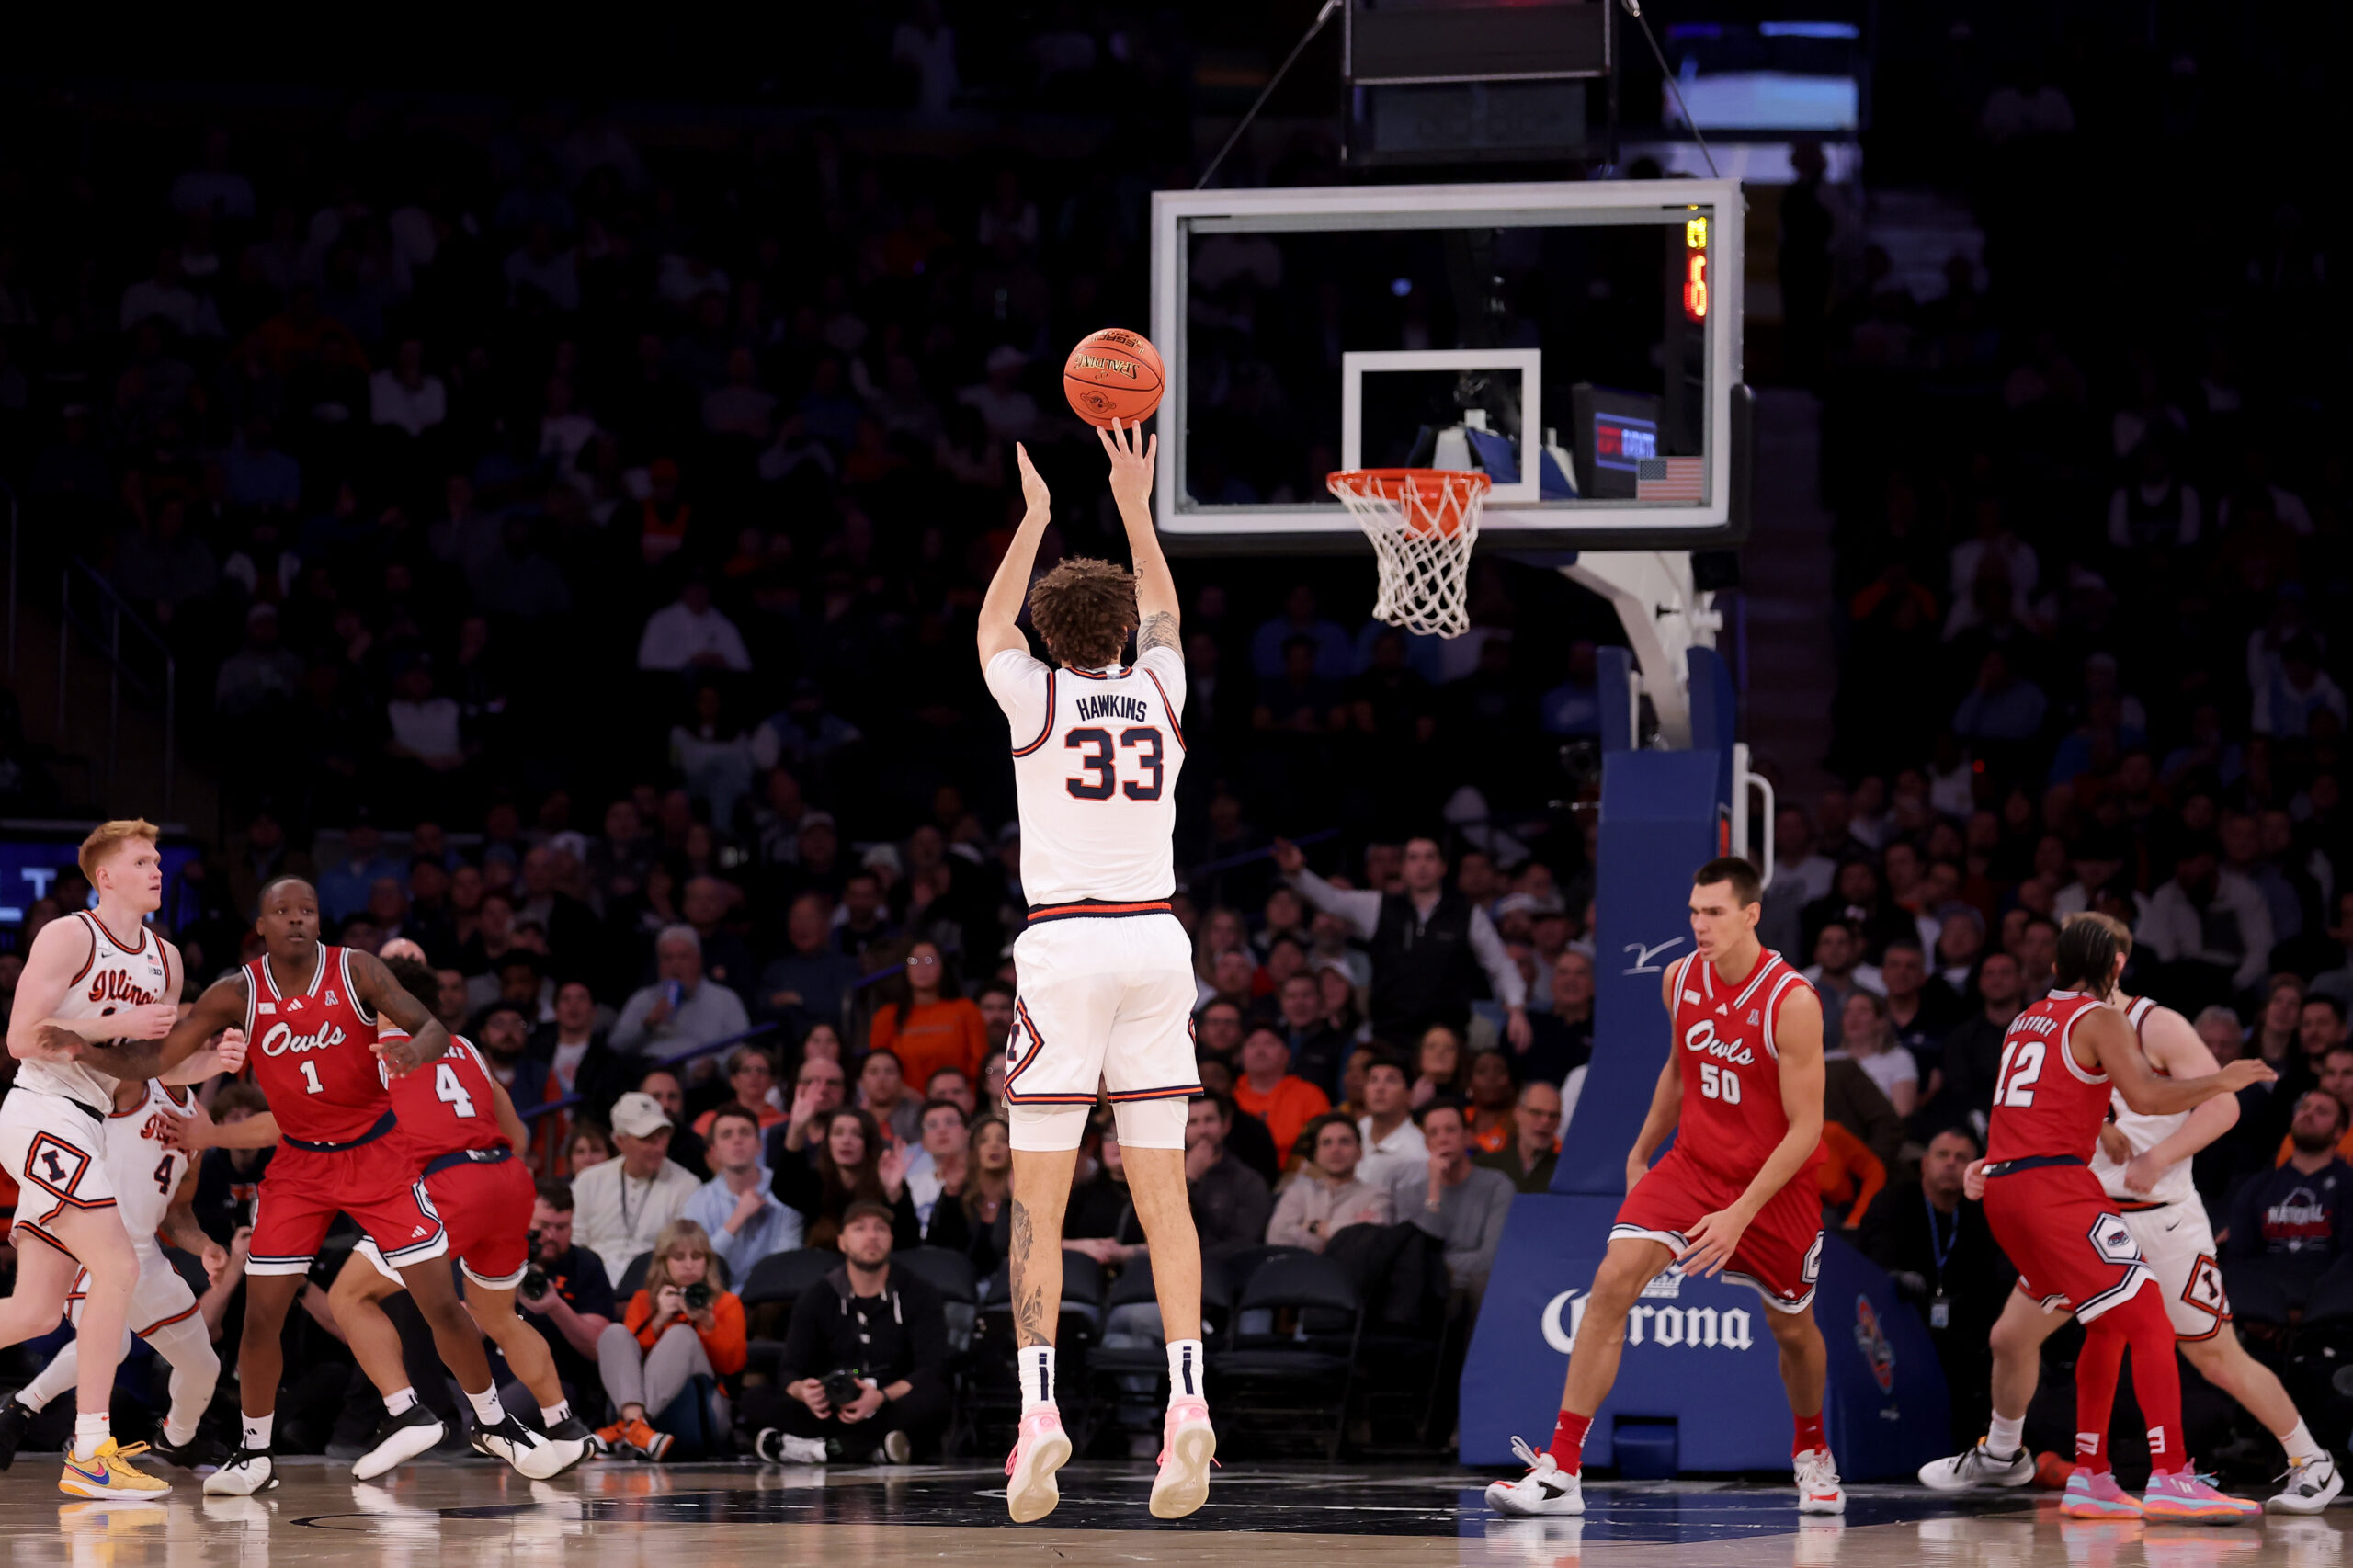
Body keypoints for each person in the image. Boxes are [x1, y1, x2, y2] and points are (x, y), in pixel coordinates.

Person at [975, 423, 1213, 1521]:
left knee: (1039, 1196)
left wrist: (1032, 517)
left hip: (1066, 944)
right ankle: (1186, 1401)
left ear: (1047, 633)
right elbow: (1162, 605)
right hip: (1157, 943)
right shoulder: (1161, 690)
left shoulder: (1033, 696)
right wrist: (1132, 501)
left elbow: (989, 622)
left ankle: (1037, 1414)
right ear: (1124, 632)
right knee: (1163, 1193)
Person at [161, 876, 553, 1495]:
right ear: (262, 926)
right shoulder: (467, 1051)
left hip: (396, 1166)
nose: (296, 921)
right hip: (483, 1178)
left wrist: (210, 1136)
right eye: (283, 912)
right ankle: (452, 1415)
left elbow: (273, 1120)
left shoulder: (369, 1008)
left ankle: (444, 1414)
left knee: (364, 1301)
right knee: (478, 1313)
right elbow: (517, 1132)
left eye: (308, 912)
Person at [1488, 858, 1844, 1519]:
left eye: (1713, 913)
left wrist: (1739, 1214)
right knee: (1611, 1283)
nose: (1699, 925)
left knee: (1792, 1330)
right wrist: (1642, 1148)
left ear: (1751, 914)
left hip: (1774, 1185)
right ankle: (1562, 1467)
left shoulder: (1791, 1001)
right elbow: (1681, 1070)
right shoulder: (1679, 978)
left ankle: (1813, 1450)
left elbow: (1806, 1129)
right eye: (1693, 912)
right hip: (1693, 1165)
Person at [1933, 913, 2273, 1520]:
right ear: (2116, 966)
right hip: (2055, 1191)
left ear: (2057, 966)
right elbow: (2145, 1094)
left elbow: (2037, 1107)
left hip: (2011, 1188)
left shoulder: (2025, 1019)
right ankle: (2171, 1474)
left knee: (2109, 1323)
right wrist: (2221, 1079)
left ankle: (2091, 1475)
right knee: (2147, 1318)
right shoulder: (2103, 1018)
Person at [0, 819, 237, 1494]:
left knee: (37, 1313)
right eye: (142, 860)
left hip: (89, 1121)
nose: (157, 869)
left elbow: (149, 1064)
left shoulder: (166, 959)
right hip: (42, 1110)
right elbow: (21, 1037)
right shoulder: (69, 934)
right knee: (119, 1264)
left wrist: (207, 1059)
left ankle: (92, 1450)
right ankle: (92, 1451)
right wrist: (114, 1023)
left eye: (158, 859)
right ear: (106, 876)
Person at [0, 1074, 230, 1473]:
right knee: (107, 1342)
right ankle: (31, 1412)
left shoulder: (200, 1117)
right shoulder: (130, 1085)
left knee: (203, 1366)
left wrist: (205, 1246)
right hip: (88, 1241)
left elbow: (176, 1213)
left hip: (145, 1251)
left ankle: (178, 1440)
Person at [1271, 836, 1532, 1051]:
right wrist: (1298, 874)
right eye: (1413, 858)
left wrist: (1516, 1009)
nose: (1421, 865)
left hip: (1447, 1037)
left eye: (1430, 857)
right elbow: (1331, 900)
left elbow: (1499, 964)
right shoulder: (1377, 906)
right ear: (1403, 868)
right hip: (1391, 1035)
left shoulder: (1467, 914)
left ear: (1443, 867)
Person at [756, 1202, 953, 1463]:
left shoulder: (919, 1292)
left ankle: (816, 1449)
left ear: (891, 1240)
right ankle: (871, 1449)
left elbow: (932, 1365)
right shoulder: (816, 1296)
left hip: (888, 1402)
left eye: (880, 1229)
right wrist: (804, 1391)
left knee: (935, 1398)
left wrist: (881, 1397)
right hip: (832, 1407)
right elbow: (790, 1368)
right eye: (859, 1228)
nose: (871, 1236)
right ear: (842, 1242)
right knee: (756, 1398)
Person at [1857, 1130, 2012, 1444]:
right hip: (1900, 1323)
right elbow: (1872, 1269)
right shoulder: (1895, 1202)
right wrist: (1897, 1278)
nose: (1951, 1164)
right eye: (1943, 1155)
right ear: (1925, 1163)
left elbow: (1992, 1283)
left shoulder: (1983, 1212)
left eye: (1961, 1158)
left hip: (1965, 1331)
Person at [597, 1219, 747, 1459]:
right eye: (679, 1257)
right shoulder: (644, 1301)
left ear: (708, 1262)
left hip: (706, 1403)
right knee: (613, 1333)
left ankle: (630, 1426)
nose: (689, 1265)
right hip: (652, 1403)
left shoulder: (726, 1302)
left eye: (696, 1257)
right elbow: (627, 1360)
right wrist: (658, 1320)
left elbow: (732, 1365)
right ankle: (637, 1427)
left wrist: (707, 1322)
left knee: (682, 1334)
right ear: (664, 1262)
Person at [572, 1092, 701, 1286]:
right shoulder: (589, 1181)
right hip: (591, 1283)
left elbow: (684, 1253)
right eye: (647, 1139)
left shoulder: (686, 1185)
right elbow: (575, 1242)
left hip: (653, 1284)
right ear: (620, 1141)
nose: (658, 1147)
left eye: (662, 1136)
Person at [515, 1181, 620, 1419]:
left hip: (556, 1379)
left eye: (561, 1227)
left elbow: (598, 1347)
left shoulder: (585, 1265)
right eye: (543, 1226)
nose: (551, 1236)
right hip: (495, 1373)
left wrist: (555, 1305)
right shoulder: (502, 1258)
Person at [1401, 1101, 1515, 1299]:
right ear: (1427, 1144)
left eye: (1451, 1130)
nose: (1443, 1139)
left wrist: (1436, 1266)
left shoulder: (1497, 1186)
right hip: (1424, 1298)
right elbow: (1411, 1261)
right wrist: (1434, 1191)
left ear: (1467, 1136)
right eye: (1434, 1133)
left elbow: (1489, 1259)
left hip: (1477, 1292)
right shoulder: (1410, 1194)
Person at [2226, 1092, 2353, 1259]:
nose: (2308, 1114)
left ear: (2339, 1132)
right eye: (2304, 1107)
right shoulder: (2257, 1188)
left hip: (2330, 1282)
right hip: (2262, 1282)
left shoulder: (2348, 1185)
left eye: (2321, 1111)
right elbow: (2239, 1258)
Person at [682, 1108, 803, 1278]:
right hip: (718, 1298)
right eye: (726, 1135)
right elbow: (695, 1267)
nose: (737, 1140)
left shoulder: (784, 1191)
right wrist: (737, 1219)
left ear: (759, 1145)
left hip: (772, 1297)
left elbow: (787, 1261)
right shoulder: (698, 1200)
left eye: (745, 1133)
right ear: (714, 1151)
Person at [610, 926, 751, 1060]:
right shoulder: (642, 999)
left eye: (683, 957)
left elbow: (740, 1051)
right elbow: (613, 1048)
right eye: (667, 958)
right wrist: (646, 1026)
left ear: (698, 961)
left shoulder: (725, 999)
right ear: (659, 965)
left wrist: (716, 1064)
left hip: (703, 1080)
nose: (675, 964)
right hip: (651, 1076)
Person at [868, 942, 986, 1091]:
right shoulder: (887, 1015)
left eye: (930, 960)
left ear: (943, 966)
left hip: (956, 1100)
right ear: (906, 968)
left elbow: (979, 1063)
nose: (922, 967)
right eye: (914, 961)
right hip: (904, 1103)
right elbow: (878, 1067)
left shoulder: (965, 1009)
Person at [1266, 1114, 1392, 1250]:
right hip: (1299, 1270)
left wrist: (1311, 1227)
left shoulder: (1378, 1197)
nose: (1335, 1150)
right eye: (1326, 1143)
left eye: (1344, 1142)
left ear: (1360, 1152)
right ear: (1316, 1154)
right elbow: (1276, 1238)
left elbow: (1372, 1243)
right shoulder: (1297, 1192)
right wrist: (1345, 1231)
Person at [1182, 1094, 1274, 1255]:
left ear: (1225, 1126)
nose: (1203, 1130)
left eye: (1209, 1120)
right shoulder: (1163, 1176)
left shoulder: (1248, 1182)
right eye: (1193, 1122)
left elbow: (1242, 1245)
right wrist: (1187, 1179)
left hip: (1224, 1272)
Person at [1232, 1025, 1330, 1168]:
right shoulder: (1230, 1099)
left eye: (1269, 1044)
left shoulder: (1310, 1095)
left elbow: (1320, 1146)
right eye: (1252, 1044)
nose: (1260, 1051)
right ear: (1241, 1056)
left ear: (1287, 1054)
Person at [1355, 1056, 1429, 1190]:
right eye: (1373, 1080)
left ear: (1409, 1095)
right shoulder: (1359, 1128)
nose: (1379, 1088)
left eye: (1391, 1080)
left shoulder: (1416, 1155)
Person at [1478, 1081, 1563, 1193]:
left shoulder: (1565, 1175)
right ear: (1517, 1113)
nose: (1546, 1121)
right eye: (1536, 1112)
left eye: (1553, 1116)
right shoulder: (1484, 1168)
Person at [690, 1046, 787, 1140]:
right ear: (733, 1080)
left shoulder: (784, 1123)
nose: (754, 1075)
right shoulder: (710, 1120)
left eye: (761, 1070)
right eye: (746, 1070)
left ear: (772, 1081)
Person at [858, 1048, 922, 1145]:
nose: (881, 1079)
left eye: (889, 1072)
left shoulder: (918, 1116)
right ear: (862, 1081)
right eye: (873, 1072)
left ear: (901, 1079)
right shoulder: (852, 1118)